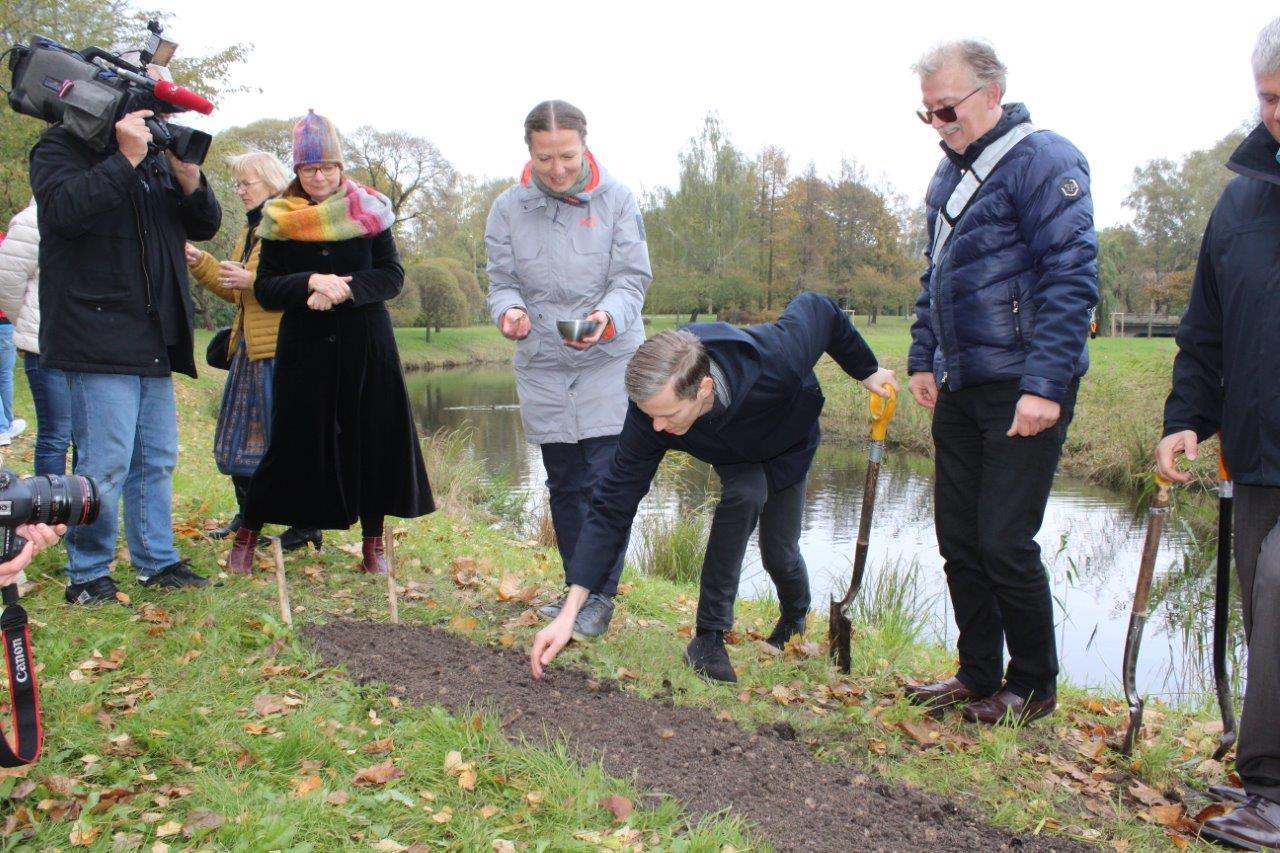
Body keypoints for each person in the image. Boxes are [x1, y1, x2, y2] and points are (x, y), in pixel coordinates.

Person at [530, 292, 897, 683]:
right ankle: (708, 639)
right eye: (649, 415)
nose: (657, 427)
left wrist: (867, 370)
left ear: (703, 388)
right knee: (744, 495)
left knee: (779, 551)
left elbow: (819, 309)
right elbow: (612, 507)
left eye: (667, 415)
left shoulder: (777, 359)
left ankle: (794, 615)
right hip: (728, 448)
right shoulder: (651, 416)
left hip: (786, 437)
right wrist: (570, 614)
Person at [903, 40, 1097, 725]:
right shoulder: (945, 178)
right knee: (959, 536)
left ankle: (1034, 683)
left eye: (947, 108)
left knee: (1004, 538)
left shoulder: (1046, 160)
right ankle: (977, 673)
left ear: (992, 91)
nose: (939, 124)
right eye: (927, 113)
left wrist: (1045, 384)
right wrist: (923, 356)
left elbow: (1071, 279)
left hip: (1023, 384)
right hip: (961, 382)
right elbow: (937, 275)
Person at [1155, 17, 1280, 849]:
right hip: (1260, 452)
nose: (1277, 116)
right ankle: (1264, 775)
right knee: (1263, 609)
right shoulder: (1239, 200)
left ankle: (1272, 790)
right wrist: (1185, 419)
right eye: (1270, 98)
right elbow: (1206, 325)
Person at [30, 90, 222, 604]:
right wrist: (125, 158)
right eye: (150, 115)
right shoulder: (59, 148)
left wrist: (188, 177)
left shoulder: (159, 161)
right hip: (94, 332)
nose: (158, 125)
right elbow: (65, 212)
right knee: (103, 463)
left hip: (152, 333)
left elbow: (204, 223)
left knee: (154, 458)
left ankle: (156, 562)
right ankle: (88, 573)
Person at [224, 111, 433, 575]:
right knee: (291, 442)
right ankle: (248, 533)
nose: (320, 177)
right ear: (297, 172)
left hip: (366, 347)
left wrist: (343, 287)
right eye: (309, 169)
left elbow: (391, 276)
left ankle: (373, 545)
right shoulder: (277, 218)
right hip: (305, 349)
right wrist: (311, 281)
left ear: (341, 168)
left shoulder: (371, 212)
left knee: (372, 439)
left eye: (328, 168)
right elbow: (266, 286)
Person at [485, 100, 652, 639]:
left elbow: (631, 279)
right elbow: (501, 281)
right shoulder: (507, 210)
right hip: (543, 362)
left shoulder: (618, 201)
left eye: (567, 156)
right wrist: (507, 311)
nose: (557, 168)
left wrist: (608, 316)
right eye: (545, 158)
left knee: (607, 482)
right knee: (565, 483)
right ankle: (574, 591)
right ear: (529, 152)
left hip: (609, 357)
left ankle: (598, 597)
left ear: (584, 145)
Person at [184, 150, 322, 552]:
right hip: (251, 348)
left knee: (283, 441)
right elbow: (238, 292)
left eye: (248, 183)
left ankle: (306, 523)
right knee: (238, 440)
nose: (240, 191)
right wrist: (202, 262)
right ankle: (250, 520)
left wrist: (252, 280)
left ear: (270, 181)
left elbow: (302, 285)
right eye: (238, 184)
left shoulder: (293, 222)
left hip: (283, 348)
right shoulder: (253, 228)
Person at [0, 199, 70, 476]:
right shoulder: (32, 220)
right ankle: (50, 514)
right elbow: (7, 283)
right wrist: (31, 326)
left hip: (86, 348)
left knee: (84, 437)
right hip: (45, 346)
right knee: (56, 434)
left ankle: (80, 510)